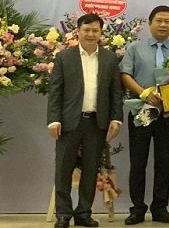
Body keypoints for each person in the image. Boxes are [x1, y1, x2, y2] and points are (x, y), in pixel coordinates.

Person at [48, 13, 123, 228]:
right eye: (86, 30)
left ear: (101, 33)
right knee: (63, 169)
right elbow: (56, 91)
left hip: (96, 122)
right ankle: (63, 214)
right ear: (78, 32)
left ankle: (83, 213)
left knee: (91, 170)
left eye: (95, 30)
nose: (90, 34)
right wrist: (53, 120)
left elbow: (115, 92)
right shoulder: (64, 57)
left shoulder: (109, 58)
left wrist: (116, 118)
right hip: (69, 122)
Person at [120, 5, 169, 225]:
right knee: (138, 162)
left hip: (167, 114)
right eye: (159, 20)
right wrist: (144, 93)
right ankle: (137, 209)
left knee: (163, 162)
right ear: (150, 23)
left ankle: (160, 208)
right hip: (142, 111)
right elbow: (124, 74)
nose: (163, 25)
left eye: (168, 21)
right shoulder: (135, 48)